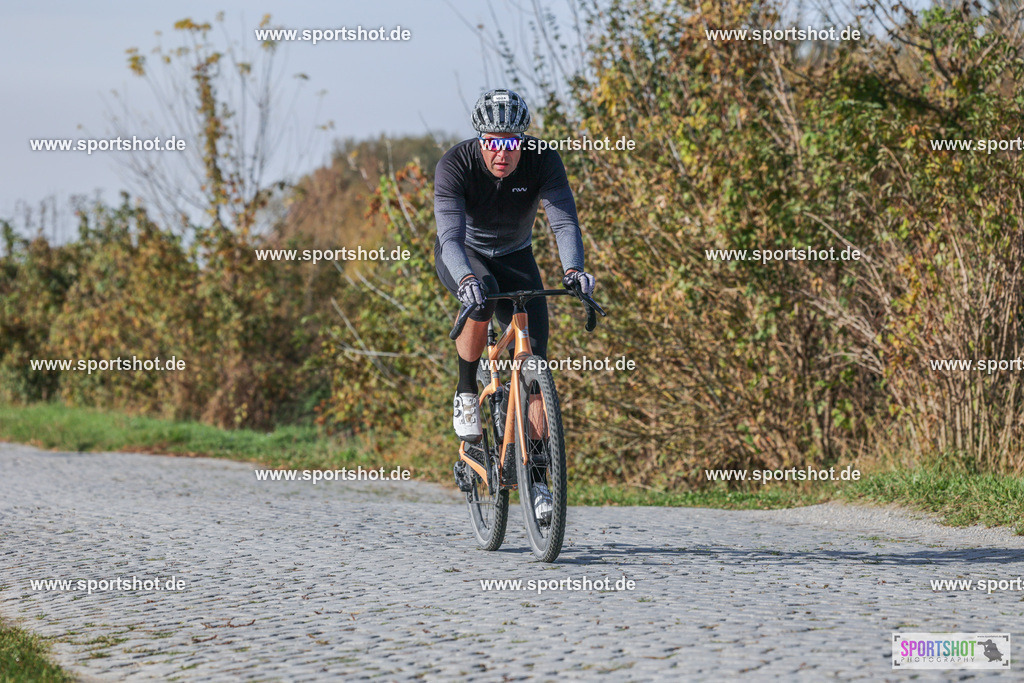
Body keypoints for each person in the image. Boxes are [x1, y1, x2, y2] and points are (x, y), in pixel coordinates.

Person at [433, 88, 596, 521]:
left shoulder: (544, 159)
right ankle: (467, 388)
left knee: (535, 361)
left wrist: (575, 270)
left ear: (523, 140)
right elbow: (449, 237)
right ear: (480, 140)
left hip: (516, 255)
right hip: (465, 255)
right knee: (482, 300)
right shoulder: (456, 164)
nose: (501, 151)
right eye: (492, 141)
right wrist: (466, 277)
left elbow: (563, 221)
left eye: (510, 142)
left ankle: (539, 482)